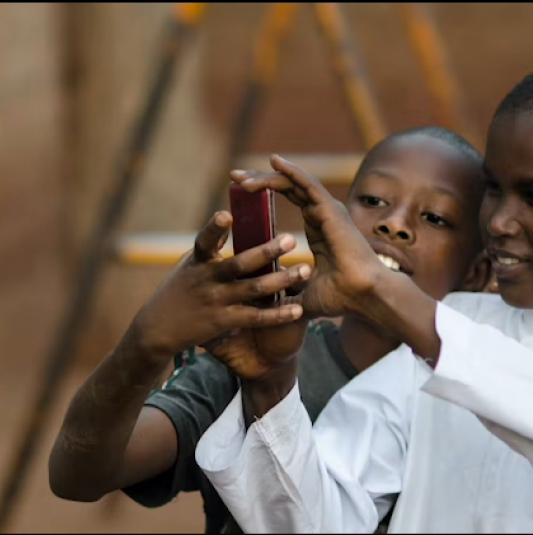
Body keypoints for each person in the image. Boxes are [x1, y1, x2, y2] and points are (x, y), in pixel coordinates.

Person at [195, 54, 533, 533]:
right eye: (494, 188)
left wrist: (387, 295)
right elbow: (314, 521)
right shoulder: (448, 329)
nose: (497, 220)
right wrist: (269, 384)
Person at [48, 126, 491, 534]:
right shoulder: (256, 357)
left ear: (476, 270)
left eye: (435, 217)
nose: (394, 224)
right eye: (373, 200)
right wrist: (145, 343)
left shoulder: (492, 394)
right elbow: (78, 475)